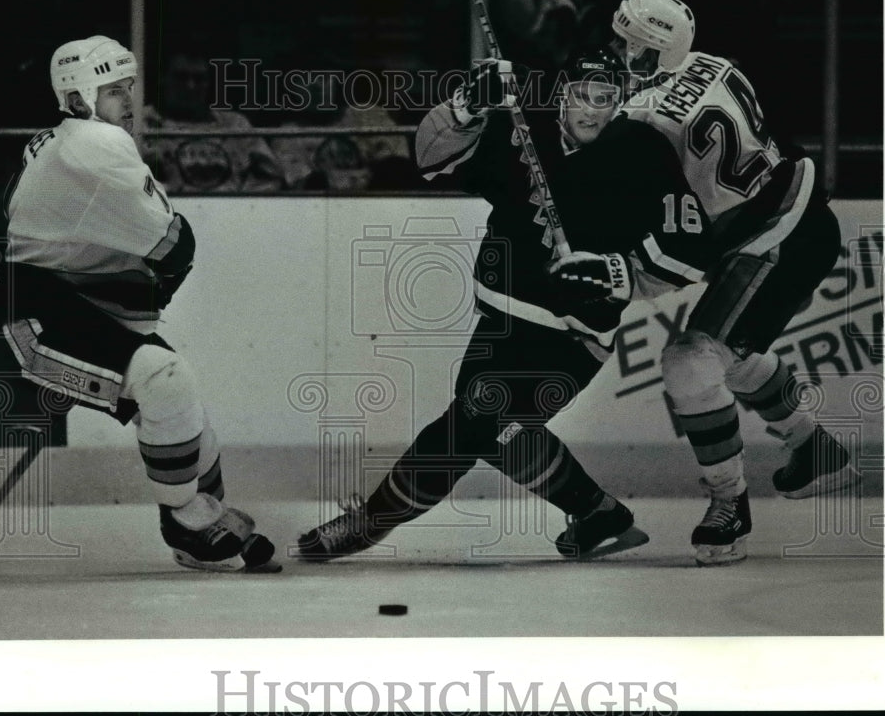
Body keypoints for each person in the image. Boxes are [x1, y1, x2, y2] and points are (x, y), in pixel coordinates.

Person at [297, 48, 716, 561]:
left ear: (620, 100)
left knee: (475, 421)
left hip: (574, 336)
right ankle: (599, 514)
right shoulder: (520, 130)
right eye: (583, 94)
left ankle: (372, 522)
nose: (594, 109)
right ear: (562, 96)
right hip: (502, 321)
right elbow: (430, 159)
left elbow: (692, 247)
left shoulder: (642, 150)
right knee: (497, 433)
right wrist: (466, 107)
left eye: (607, 97)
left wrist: (617, 270)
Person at [1, 35, 280, 573]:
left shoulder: (69, 138)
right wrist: (160, 280)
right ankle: (186, 522)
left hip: (68, 299)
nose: (127, 101)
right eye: (111, 91)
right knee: (164, 380)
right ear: (79, 99)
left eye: (128, 87)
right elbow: (175, 246)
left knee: (185, 404)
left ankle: (205, 514)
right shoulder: (95, 147)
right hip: (29, 316)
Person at [607, 0, 860, 565]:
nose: (621, 52)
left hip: (773, 235)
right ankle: (813, 449)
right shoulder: (717, 62)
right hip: (795, 213)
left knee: (690, 359)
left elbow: (665, 211)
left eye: (631, 44)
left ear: (653, 48)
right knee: (730, 352)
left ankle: (730, 506)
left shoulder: (645, 119)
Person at [138, 45, 290, 193]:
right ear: (163, 79)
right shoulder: (141, 122)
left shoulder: (234, 124)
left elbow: (271, 177)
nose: (191, 86)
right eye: (181, 77)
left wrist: (242, 201)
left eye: (199, 79)